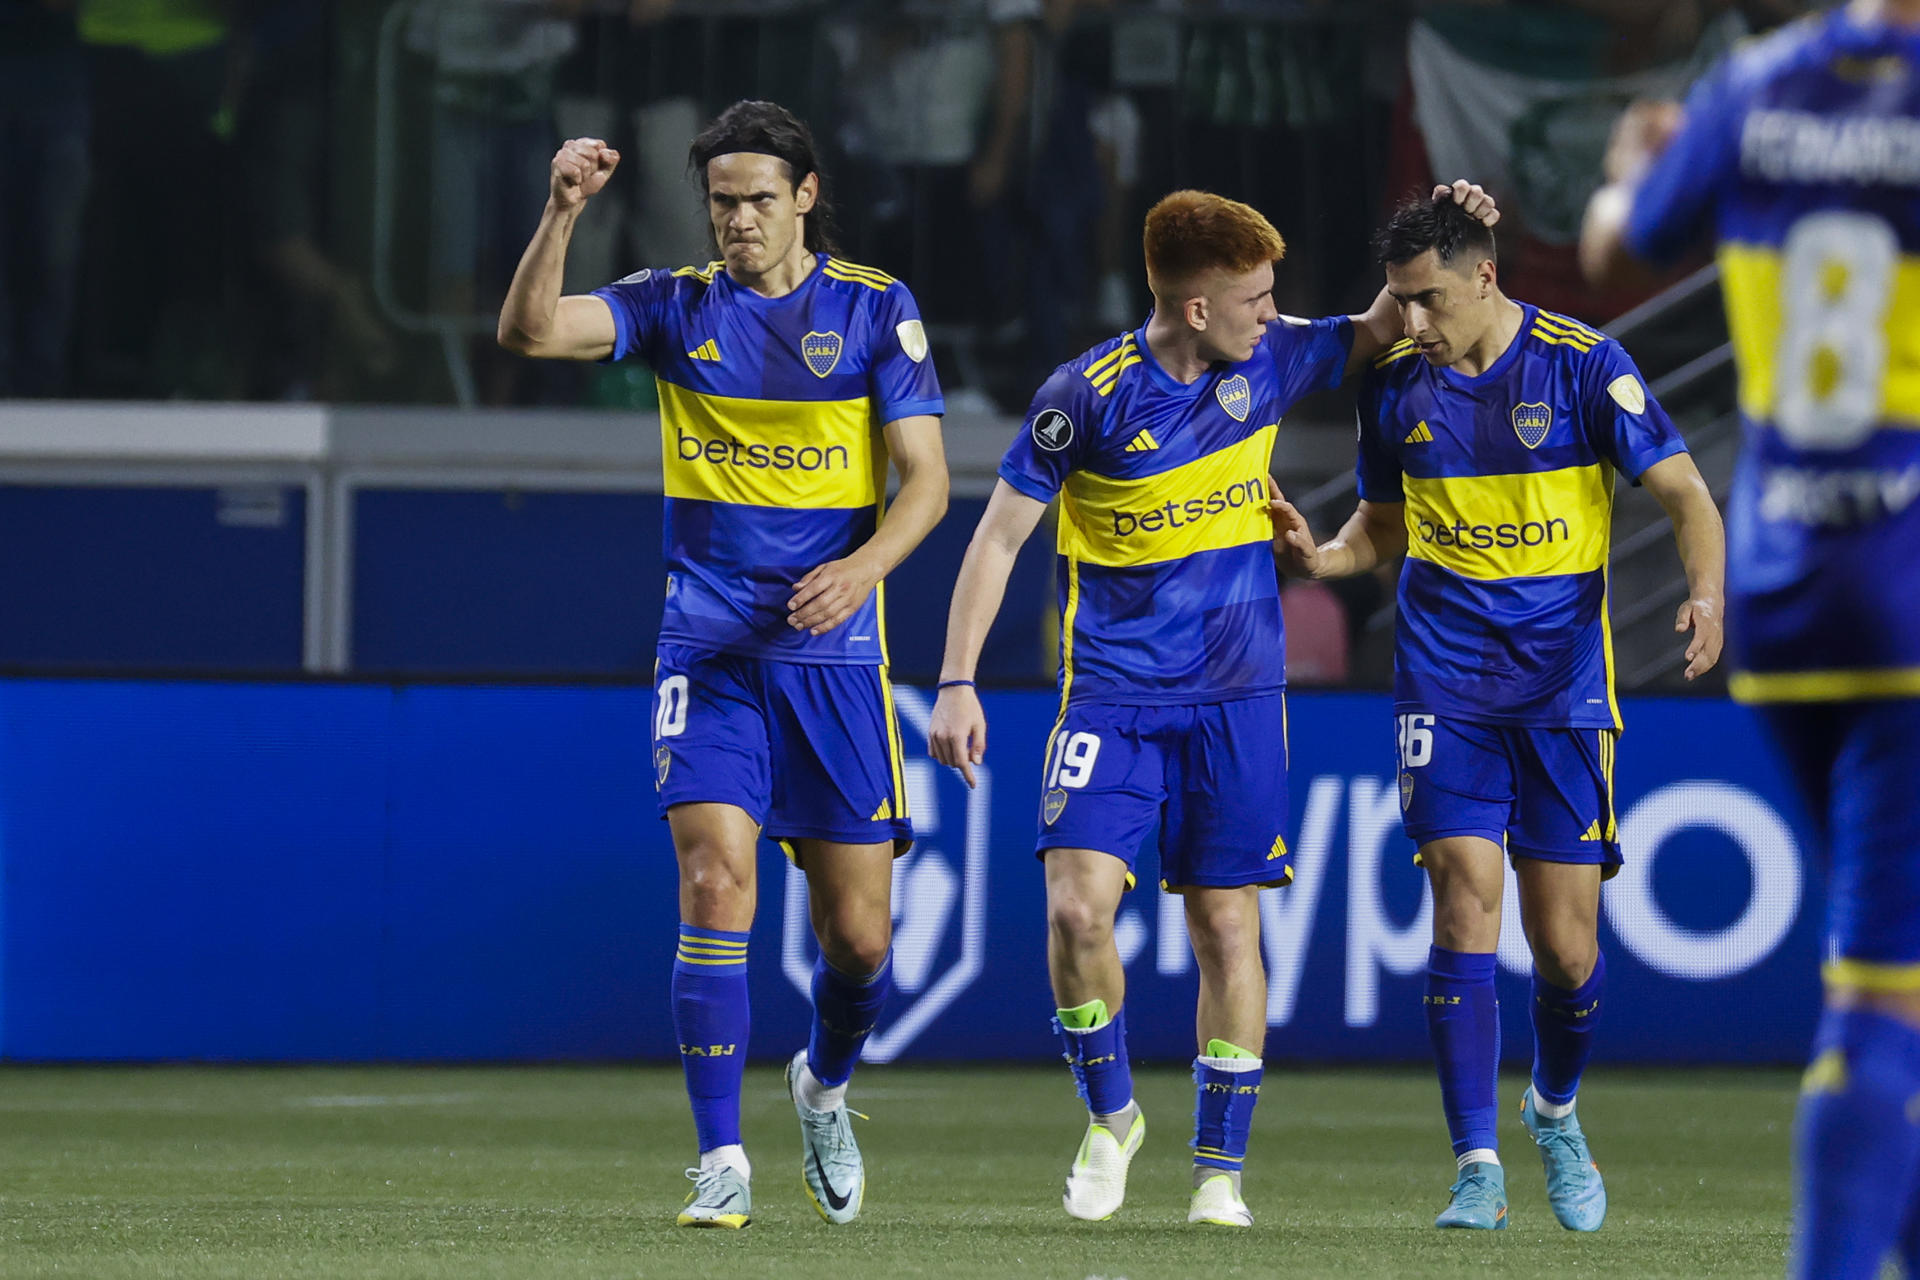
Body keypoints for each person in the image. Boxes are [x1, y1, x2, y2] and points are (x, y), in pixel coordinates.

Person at [928, 181, 1498, 1228]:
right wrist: (957, 678)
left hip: (1238, 696)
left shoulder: (1273, 357)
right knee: (1074, 908)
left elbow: (1385, 321)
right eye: (1255, 297)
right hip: (1111, 695)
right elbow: (999, 538)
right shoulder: (1085, 397)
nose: (1274, 313)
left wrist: (1451, 218)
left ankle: (1219, 1171)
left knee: (1227, 928)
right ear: (1196, 307)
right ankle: (1111, 1115)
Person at [496, 100, 949, 1230]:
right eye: (720, 201)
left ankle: (823, 1084)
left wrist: (866, 566)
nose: (737, 219)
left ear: (804, 196)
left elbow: (929, 482)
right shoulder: (671, 306)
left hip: (835, 657)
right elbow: (531, 331)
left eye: (757, 198)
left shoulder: (874, 308)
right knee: (713, 882)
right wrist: (559, 212)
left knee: (859, 939)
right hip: (708, 647)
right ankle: (719, 1157)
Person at [1272, 194, 1725, 1233]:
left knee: (1567, 951)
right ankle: (1476, 1160)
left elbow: (1689, 496)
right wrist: (1325, 556)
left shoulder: (1583, 365)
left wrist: (1705, 592)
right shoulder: (1393, 385)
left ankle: (1553, 1109)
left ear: (1483, 276)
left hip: (1564, 687)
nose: (1413, 321)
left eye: (1427, 298)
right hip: (1447, 680)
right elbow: (1380, 528)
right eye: (1399, 301)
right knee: (1463, 890)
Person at [1579, 3, 1920, 1274]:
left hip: (1787, 579)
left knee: (1896, 968)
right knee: (1883, 991)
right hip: (1908, 582)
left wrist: (1637, 168)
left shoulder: (1760, 82)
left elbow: (1619, 243)